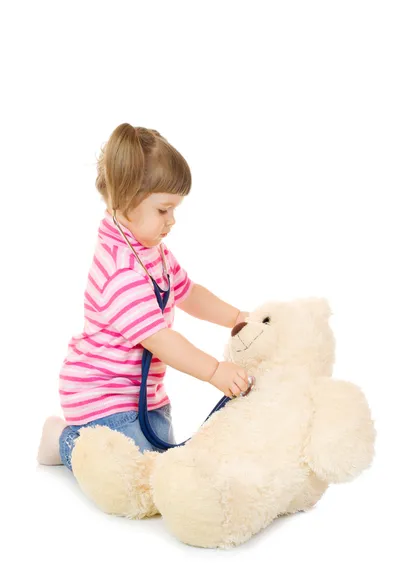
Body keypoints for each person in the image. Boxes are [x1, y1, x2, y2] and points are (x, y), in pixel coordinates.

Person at [37, 123, 250, 471]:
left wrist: (235, 317)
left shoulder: (153, 251)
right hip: (102, 398)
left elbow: (189, 292)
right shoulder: (121, 271)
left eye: (174, 209)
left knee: (163, 467)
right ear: (124, 200)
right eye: (163, 210)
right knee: (129, 475)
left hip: (143, 398)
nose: (172, 220)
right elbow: (161, 341)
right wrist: (214, 372)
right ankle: (64, 441)